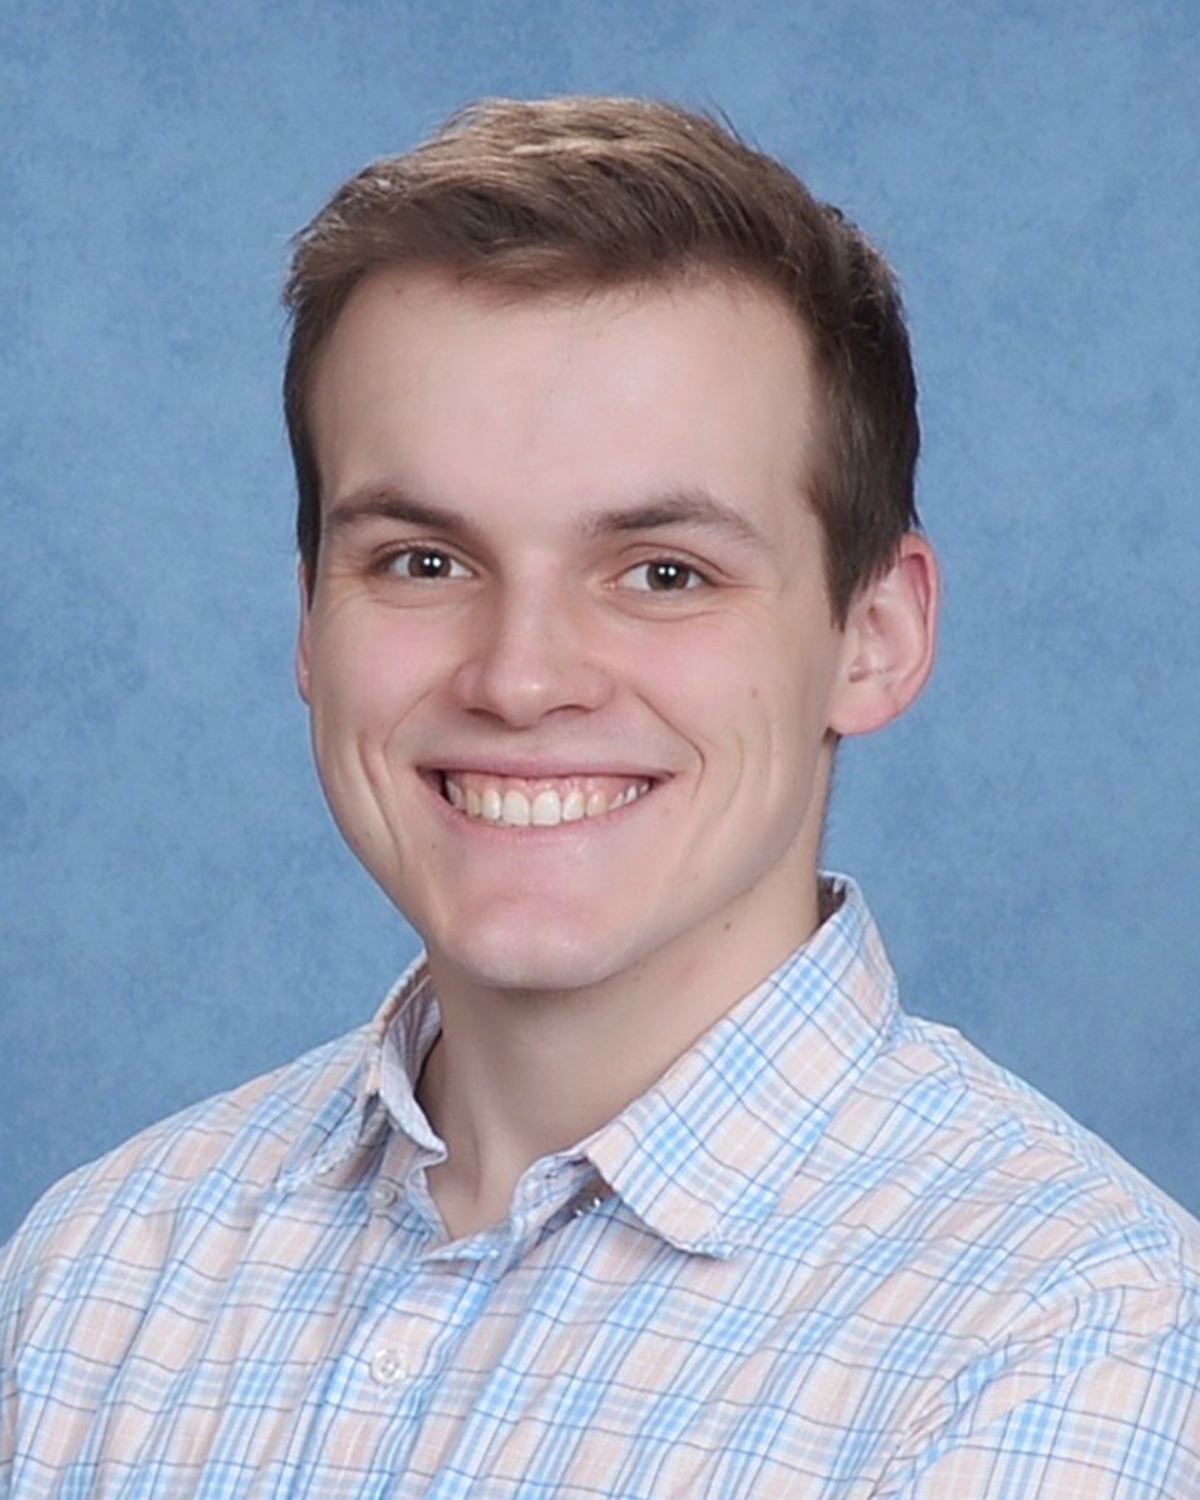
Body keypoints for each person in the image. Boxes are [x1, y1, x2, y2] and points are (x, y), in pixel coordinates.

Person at [2, 97, 1197, 1498]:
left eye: (663, 573)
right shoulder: (91, 1280)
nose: (521, 679)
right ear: (310, 622)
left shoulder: (1075, 1347)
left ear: (873, 638)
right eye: (423, 563)